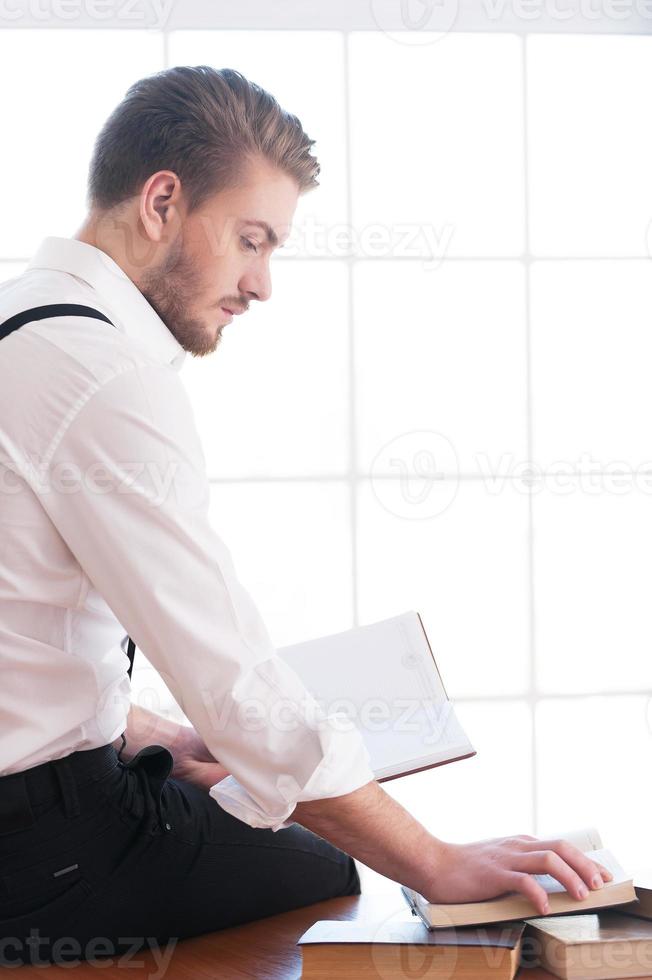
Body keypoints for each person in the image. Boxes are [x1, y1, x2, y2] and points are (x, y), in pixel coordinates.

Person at [0, 65, 610, 967]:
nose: (263, 283)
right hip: (44, 850)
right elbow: (234, 679)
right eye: (252, 240)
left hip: (39, 806)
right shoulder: (104, 377)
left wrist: (163, 735)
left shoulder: (22, 324)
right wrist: (437, 862)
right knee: (321, 864)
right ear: (162, 200)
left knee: (262, 804)